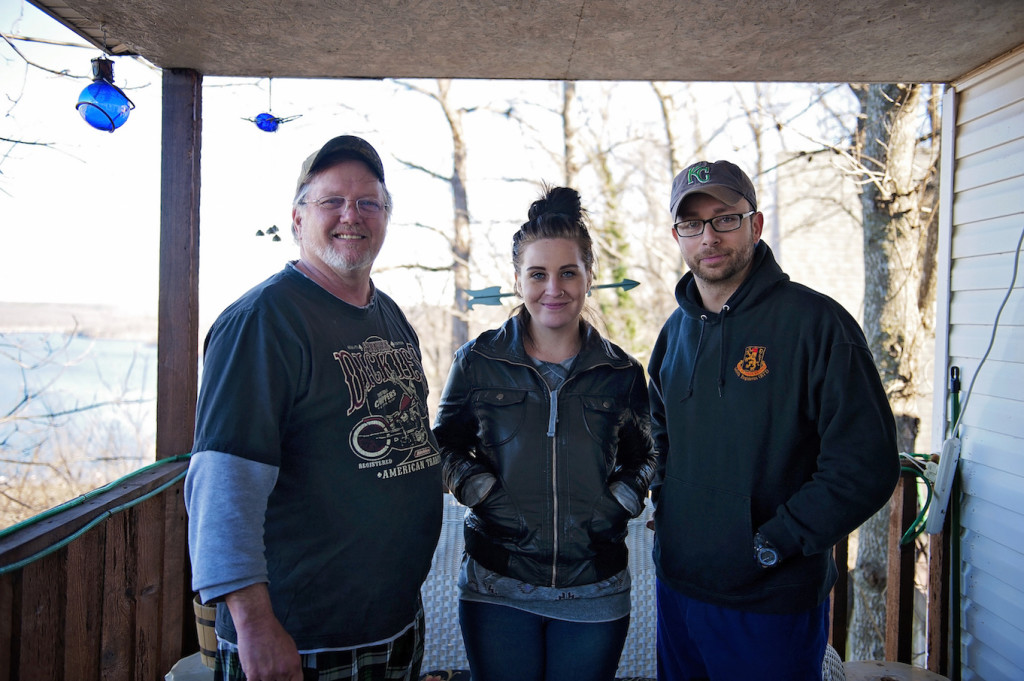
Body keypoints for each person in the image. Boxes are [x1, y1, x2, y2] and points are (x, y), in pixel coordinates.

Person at [184, 135, 442, 681]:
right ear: (298, 219)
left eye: (369, 202)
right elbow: (222, 486)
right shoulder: (262, 322)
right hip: (300, 641)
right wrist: (255, 625)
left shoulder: (390, 317)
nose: (352, 215)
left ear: (386, 218)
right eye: (332, 202)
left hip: (392, 623)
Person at [647, 160, 900, 680]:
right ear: (678, 236)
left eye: (725, 219)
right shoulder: (674, 334)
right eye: (691, 224)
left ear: (755, 224)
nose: (708, 237)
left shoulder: (817, 326)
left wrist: (775, 542)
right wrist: (666, 501)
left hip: (771, 601)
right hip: (679, 589)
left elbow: (866, 465)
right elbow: (658, 436)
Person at [432, 186, 657, 681]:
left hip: (596, 587)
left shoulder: (621, 372)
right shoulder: (478, 362)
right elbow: (442, 443)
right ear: (518, 280)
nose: (552, 288)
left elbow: (649, 455)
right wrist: (482, 491)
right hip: (497, 585)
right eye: (538, 274)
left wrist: (616, 502)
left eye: (568, 273)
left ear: (589, 278)